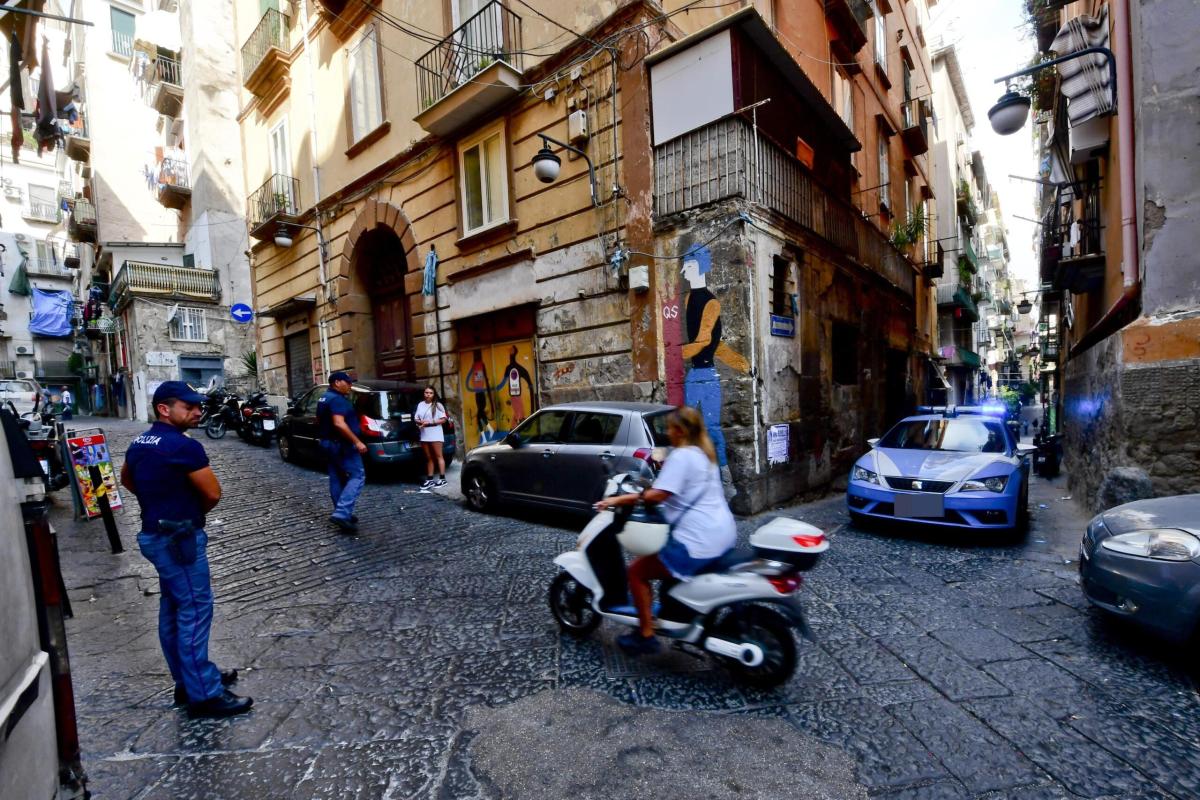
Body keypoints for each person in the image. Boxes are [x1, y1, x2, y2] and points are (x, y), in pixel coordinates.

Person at [120, 381, 251, 719]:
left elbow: (128, 480)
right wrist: (187, 516)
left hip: (154, 535)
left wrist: (158, 503)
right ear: (165, 409)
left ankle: (188, 680)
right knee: (194, 610)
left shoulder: (139, 443)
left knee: (174, 608)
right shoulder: (183, 446)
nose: (198, 412)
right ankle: (204, 694)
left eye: (198, 406)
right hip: (179, 539)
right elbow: (212, 494)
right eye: (189, 407)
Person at [594, 406, 737, 655]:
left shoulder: (682, 457)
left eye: (670, 427)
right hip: (722, 535)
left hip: (697, 541)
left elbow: (658, 495)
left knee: (637, 572)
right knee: (663, 565)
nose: (667, 432)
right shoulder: (705, 455)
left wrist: (617, 500)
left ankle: (646, 635)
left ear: (680, 431)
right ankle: (674, 614)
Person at [317, 372, 367, 533]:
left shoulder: (324, 398)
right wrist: (357, 441)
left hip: (328, 443)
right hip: (342, 445)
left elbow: (320, 421)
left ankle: (342, 513)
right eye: (348, 382)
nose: (350, 385)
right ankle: (342, 512)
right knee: (357, 476)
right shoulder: (337, 399)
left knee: (336, 477)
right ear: (337, 382)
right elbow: (339, 423)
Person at [414, 385, 448, 489]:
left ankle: (442, 479)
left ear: (434, 394)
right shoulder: (420, 404)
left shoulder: (438, 405)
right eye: (426, 392)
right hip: (425, 433)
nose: (428, 395)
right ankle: (430, 479)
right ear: (424, 394)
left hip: (435, 433)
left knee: (438, 456)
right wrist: (421, 422)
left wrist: (430, 422)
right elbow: (416, 418)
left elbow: (444, 419)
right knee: (429, 458)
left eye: (430, 393)